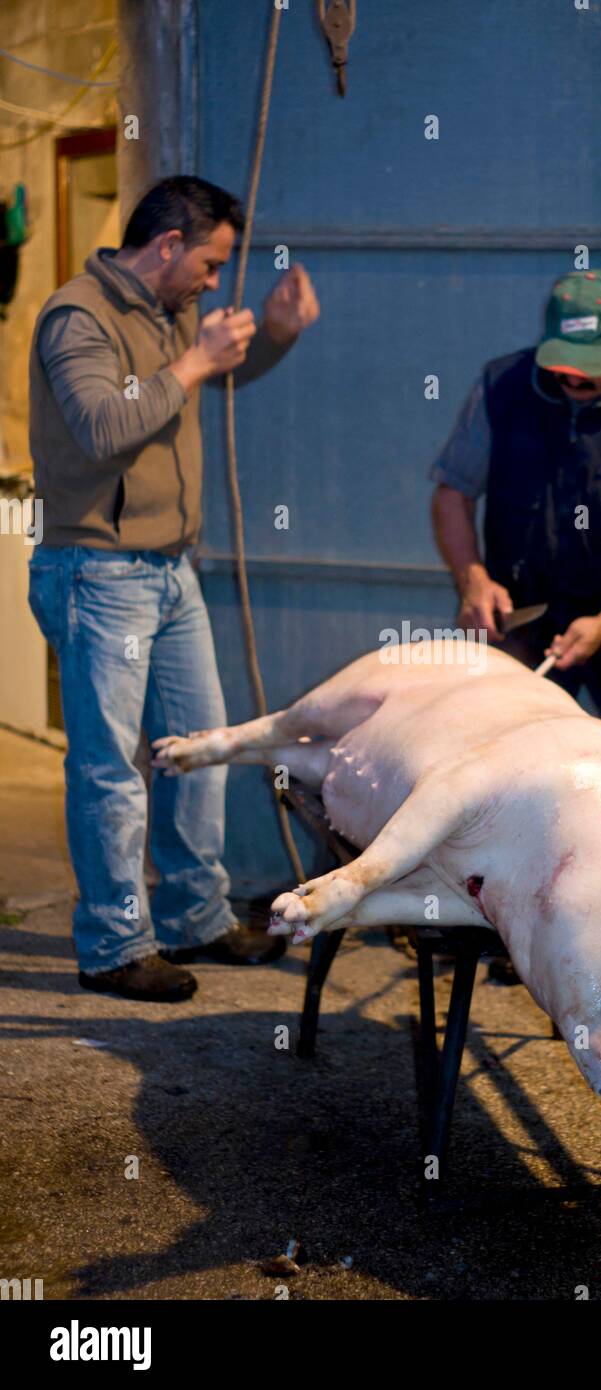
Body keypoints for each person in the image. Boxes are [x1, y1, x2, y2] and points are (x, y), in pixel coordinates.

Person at [26, 175, 320, 1003]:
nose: (214, 281)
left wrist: (277, 335)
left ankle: (196, 917)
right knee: (111, 769)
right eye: (211, 261)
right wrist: (193, 361)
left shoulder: (168, 310)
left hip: (168, 569)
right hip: (98, 570)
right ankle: (115, 945)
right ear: (166, 247)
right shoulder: (77, 315)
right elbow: (104, 424)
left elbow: (213, 374)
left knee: (200, 749)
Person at [431, 268, 601, 775]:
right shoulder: (502, 387)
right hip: (522, 626)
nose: (573, 380)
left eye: (589, 369)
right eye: (563, 366)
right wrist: (472, 580)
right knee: (505, 774)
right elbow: (452, 493)